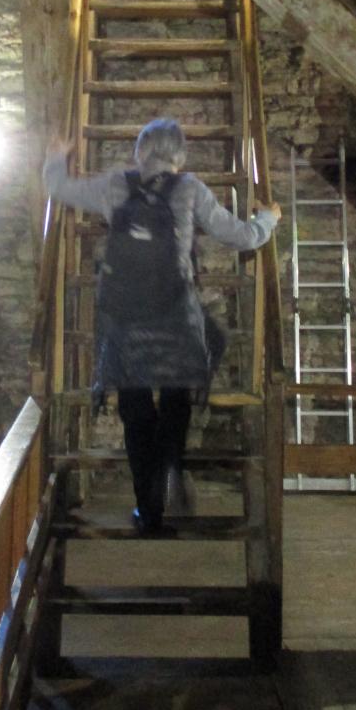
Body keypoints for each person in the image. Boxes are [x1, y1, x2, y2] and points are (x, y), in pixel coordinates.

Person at [43, 118, 280, 534]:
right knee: (177, 396)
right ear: (179, 155)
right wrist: (267, 219)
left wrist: (56, 160)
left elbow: (60, 189)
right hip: (175, 319)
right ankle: (170, 461)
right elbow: (241, 237)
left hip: (125, 323)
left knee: (135, 414)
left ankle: (147, 510)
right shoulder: (190, 189)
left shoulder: (116, 185)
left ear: (140, 151)